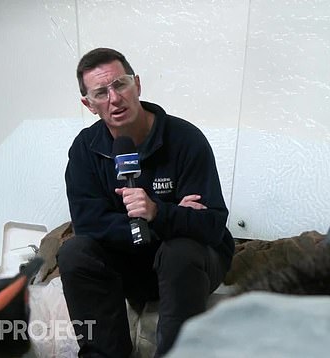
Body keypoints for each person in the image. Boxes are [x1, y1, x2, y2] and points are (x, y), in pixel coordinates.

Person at [58, 47, 234, 357]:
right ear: (89, 104)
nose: (114, 98)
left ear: (136, 84)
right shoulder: (86, 150)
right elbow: (88, 225)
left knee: (180, 249)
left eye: (120, 84)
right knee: (74, 252)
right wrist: (165, 219)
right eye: (101, 92)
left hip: (191, 262)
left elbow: (212, 225)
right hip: (131, 262)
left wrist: (156, 211)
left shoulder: (185, 139)